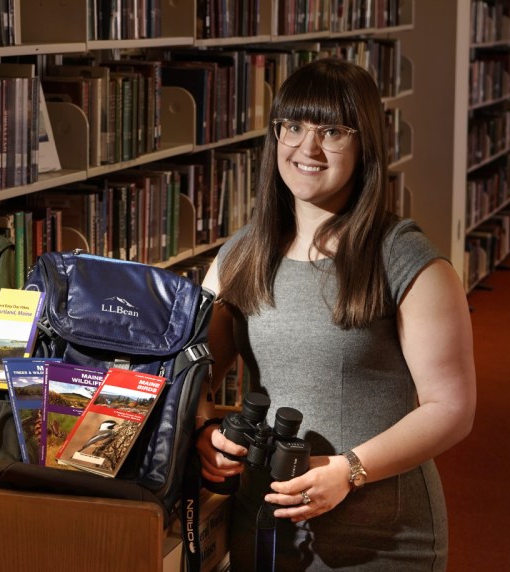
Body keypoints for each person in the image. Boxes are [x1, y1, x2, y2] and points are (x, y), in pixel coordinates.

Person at [194, 58, 476, 571]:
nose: (308, 147)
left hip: (381, 536)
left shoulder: (405, 258)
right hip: (266, 529)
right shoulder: (240, 256)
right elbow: (191, 380)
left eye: (332, 131)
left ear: (364, 142)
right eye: (294, 126)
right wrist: (203, 435)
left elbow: (451, 407)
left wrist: (350, 470)